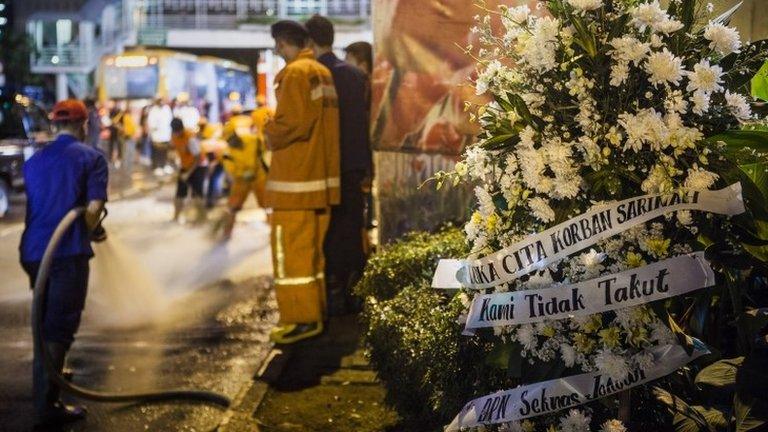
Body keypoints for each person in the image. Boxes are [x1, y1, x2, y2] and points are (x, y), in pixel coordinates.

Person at [19, 99, 108, 427]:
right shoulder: (91, 157)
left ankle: (50, 375)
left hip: (32, 252)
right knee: (59, 327)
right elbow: (93, 208)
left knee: (42, 319)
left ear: (55, 126)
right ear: (84, 126)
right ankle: (47, 405)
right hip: (67, 251)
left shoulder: (34, 161)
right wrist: (92, 229)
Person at [264, 20, 340, 344]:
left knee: (290, 258)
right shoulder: (321, 72)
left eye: (278, 46)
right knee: (311, 260)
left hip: (294, 186)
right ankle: (313, 315)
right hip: (316, 184)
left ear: (282, 44)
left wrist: (267, 128)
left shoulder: (295, 73)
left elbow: (291, 124)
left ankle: (300, 320)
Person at [305, 15, 373, 315]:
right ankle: (353, 291)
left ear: (309, 41)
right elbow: (362, 126)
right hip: (354, 165)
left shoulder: (315, 74)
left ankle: (332, 293)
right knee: (352, 225)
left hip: (324, 167)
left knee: (328, 231)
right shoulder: (356, 76)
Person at [220, 121, 268, 239]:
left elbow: (264, 151)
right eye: (228, 141)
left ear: (235, 135)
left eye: (231, 139)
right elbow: (230, 170)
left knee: (267, 205)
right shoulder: (228, 153)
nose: (230, 143)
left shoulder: (253, 140)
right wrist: (241, 174)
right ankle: (226, 234)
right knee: (232, 207)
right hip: (241, 181)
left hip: (259, 177)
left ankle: (273, 231)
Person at [170, 118, 207, 222]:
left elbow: (198, 157)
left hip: (198, 166)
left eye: (178, 131)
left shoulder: (190, 138)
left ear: (182, 129)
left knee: (197, 194)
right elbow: (174, 150)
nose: (176, 133)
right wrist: (180, 170)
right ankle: (175, 217)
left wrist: (188, 173)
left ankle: (201, 218)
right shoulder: (174, 136)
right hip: (185, 166)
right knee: (179, 193)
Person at [146, 98, 173, 174]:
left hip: (166, 134)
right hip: (157, 135)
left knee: (165, 151)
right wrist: (155, 127)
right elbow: (151, 122)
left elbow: (170, 120)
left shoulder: (167, 109)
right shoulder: (153, 110)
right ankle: (157, 166)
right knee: (157, 151)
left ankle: (164, 165)